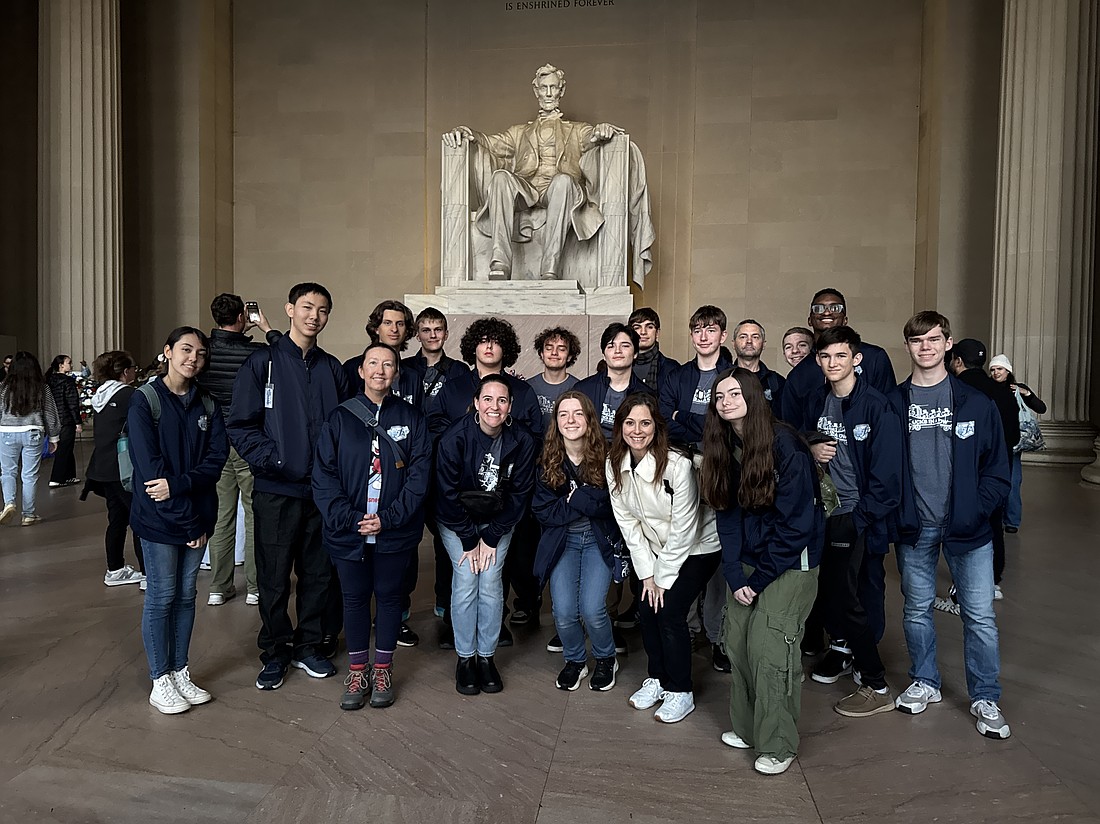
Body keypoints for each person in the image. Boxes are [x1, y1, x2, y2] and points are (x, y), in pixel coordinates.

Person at [889, 312, 1011, 739]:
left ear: (948, 343)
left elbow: (997, 468)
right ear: (908, 346)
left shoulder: (975, 402)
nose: (925, 347)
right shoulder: (893, 403)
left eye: (933, 339)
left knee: (979, 616)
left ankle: (985, 696)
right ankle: (925, 680)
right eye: (917, 340)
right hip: (915, 527)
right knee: (916, 610)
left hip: (968, 528)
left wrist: (976, 510)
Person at [228, 282, 352, 691]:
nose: (314, 316)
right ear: (289, 310)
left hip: (321, 493)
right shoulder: (261, 362)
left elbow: (344, 427)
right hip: (276, 489)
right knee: (274, 577)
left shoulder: (331, 367)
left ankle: (309, 646)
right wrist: (275, 459)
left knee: (318, 575)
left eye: (322, 309)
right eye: (307, 307)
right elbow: (240, 425)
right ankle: (276, 650)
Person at [699, 368, 824, 775]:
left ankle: (778, 744)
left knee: (770, 650)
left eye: (735, 393)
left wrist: (758, 580)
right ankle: (750, 728)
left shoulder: (785, 445)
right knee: (737, 642)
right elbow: (726, 514)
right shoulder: (724, 445)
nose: (726, 402)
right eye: (720, 396)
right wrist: (735, 573)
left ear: (753, 397)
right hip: (749, 562)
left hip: (790, 563)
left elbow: (796, 526)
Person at [312, 342, 432, 710]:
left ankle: (382, 668)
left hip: (394, 530)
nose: (380, 370)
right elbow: (324, 476)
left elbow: (419, 477)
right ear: (361, 371)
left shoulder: (412, 418)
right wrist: (351, 519)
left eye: (388, 364)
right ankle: (357, 670)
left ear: (396, 373)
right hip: (349, 531)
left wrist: (388, 518)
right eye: (373, 363)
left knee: (390, 597)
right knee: (354, 598)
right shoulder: (339, 418)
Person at [443, 64, 628, 281]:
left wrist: (601, 130)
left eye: (553, 87)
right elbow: (491, 143)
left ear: (561, 90)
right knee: (500, 177)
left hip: (560, 190)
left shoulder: (577, 130)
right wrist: (467, 133)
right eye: (543, 88)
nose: (548, 93)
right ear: (536, 90)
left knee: (563, 181)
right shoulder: (518, 132)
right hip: (527, 190)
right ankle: (500, 262)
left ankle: (550, 268)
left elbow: (592, 137)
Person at [129, 327, 228, 714]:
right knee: (162, 596)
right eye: (186, 350)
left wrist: (182, 487)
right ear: (167, 351)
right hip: (161, 521)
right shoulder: (146, 400)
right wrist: (189, 522)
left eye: (201, 353)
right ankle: (160, 679)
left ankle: (179, 670)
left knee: (187, 596)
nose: (193, 359)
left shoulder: (208, 403)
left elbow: (215, 461)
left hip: (197, 518)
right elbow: (151, 474)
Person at [805, 327, 902, 715]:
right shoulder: (819, 400)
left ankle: (876, 684)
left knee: (853, 597)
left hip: (856, 516)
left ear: (856, 359)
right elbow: (801, 442)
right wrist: (811, 444)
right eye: (826, 357)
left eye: (841, 356)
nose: (833, 363)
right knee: (832, 593)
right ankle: (846, 654)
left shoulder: (877, 406)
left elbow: (889, 478)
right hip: (824, 513)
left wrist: (858, 518)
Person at [607, 392, 721, 724]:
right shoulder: (614, 464)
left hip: (699, 546)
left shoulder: (677, 465)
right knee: (646, 607)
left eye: (645, 423)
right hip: (654, 548)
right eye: (630, 423)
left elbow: (685, 528)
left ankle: (681, 690)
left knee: (669, 610)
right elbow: (629, 525)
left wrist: (662, 577)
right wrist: (647, 575)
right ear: (620, 426)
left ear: (657, 427)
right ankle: (657, 678)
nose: (637, 431)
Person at [430, 317, 543, 645]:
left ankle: (493, 629)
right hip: (456, 500)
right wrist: (469, 441)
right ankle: (457, 628)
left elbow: (532, 437)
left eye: (496, 340)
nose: (490, 346)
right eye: (483, 340)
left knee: (495, 570)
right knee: (458, 568)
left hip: (501, 501)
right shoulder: (453, 387)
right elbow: (435, 426)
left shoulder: (521, 390)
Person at [435, 375, 537, 695]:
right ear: (476, 403)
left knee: (490, 579)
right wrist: (469, 539)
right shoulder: (454, 438)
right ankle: (466, 658)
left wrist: (491, 537)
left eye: (502, 400)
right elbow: (445, 495)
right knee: (467, 578)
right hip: (457, 520)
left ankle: (486, 657)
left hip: (498, 520)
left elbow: (520, 496)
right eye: (488, 399)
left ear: (510, 407)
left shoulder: (522, 440)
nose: (495, 406)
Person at [532, 392, 621, 691]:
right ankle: (575, 660)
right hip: (564, 541)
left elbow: (613, 505)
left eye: (578, 413)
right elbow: (544, 511)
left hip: (598, 540)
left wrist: (576, 498)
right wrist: (585, 500)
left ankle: (606, 657)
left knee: (593, 609)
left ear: (589, 419)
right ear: (556, 422)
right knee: (564, 612)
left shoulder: (607, 456)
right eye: (563, 414)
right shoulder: (547, 460)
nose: (570, 420)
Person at [197, 293, 279, 608]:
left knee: (222, 516)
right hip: (249, 439)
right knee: (255, 514)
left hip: (215, 440)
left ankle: (219, 586)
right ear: (243, 317)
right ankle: (256, 586)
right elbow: (286, 357)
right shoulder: (255, 352)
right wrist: (265, 327)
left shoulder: (205, 351)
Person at [947, 339, 1019, 596]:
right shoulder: (1002, 391)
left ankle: (963, 587)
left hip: (963, 471)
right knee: (993, 522)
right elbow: (1014, 435)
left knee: (960, 526)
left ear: (957, 361)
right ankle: (992, 578)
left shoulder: (954, 391)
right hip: (997, 469)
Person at [781, 289, 897, 433]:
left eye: (835, 308)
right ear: (810, 320)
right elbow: (791, 429)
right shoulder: (798, 375)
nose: (827, 312)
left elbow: (890, 410)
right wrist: (812, 442)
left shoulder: (874, 357)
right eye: (818, 308)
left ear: (845, 319)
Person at [81, 350, 145, 586]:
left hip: (102, 466)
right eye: (133, 368)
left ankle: (115, 569)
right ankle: (148, 573)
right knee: (140, 518)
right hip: (123, 467)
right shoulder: (129, 395)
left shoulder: (101, 394)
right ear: (125, 371)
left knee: (117, 519)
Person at [660, 305, 733, 454]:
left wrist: (681, 416)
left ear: (723, 336)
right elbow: (663, 421)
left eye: (711, 331)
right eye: (697, 331)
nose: (703, 338)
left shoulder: (734, 376)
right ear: (691, 336)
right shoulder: (677, 376)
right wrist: (695, 437)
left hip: (723, 456)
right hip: (681, 454)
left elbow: (729, 425)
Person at [1, 352, 60, 526]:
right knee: (29, 475)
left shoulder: (3, 387)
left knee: (8, 472)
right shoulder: (42, 387)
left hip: (7, 431)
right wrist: (54, 437)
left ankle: (9, 503)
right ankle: (28, 514)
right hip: (33, 431)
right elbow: (50, 413)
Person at [989, 354, 1045, 533]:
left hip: (1013, 442)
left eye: (999, 369)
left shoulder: (1018, 389)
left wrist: (1026, 393)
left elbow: (1041, 408)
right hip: (993, 440)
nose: (996, 373)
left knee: (1013, 481)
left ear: (1008, 371)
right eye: (992, 369)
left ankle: (1012, 520)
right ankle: (996, 517)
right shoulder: (987, 388)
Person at [576, 322, 650, 440]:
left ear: (635, 353)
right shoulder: (583, 390)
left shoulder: (646, 394)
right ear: (604, 355)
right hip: (591, 449)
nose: (617, 351)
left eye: (625, 346)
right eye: (611, 346)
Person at [344, 300, 421, 404]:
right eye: (387, 323)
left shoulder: (413, 376)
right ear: (376, 328)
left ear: (407, 331)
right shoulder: (352, 368)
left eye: (400, 324)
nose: (394, 329)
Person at [527, 326, 581, 430]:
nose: (554, 353)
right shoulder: (528, 387)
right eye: (549, 348)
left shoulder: (579, 388)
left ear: (569, 356)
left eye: (561, 349)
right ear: (542, 354)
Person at [731, 320, 785, 418]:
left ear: (763, 344)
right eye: (743, 337)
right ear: (733, 344)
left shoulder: (776, 382)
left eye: (755, 337)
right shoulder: (724, 378)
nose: (749, 341)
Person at [45, 354, 83, 487]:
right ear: (61, 365)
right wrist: (78, 422)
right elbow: (72, 403)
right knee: (64, 449)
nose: (71, 365)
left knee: (67, 448)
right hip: (66, 419)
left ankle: (69, 476)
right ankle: (56, 478)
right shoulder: (68, 381)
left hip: (53, 419)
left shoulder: (48, 380)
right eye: (69, 363)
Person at [630, 307, 679, 393]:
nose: (643, 332)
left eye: (649, 327)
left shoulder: (672, 369)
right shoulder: (620, 366)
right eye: (637, 327)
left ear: (657, 333)